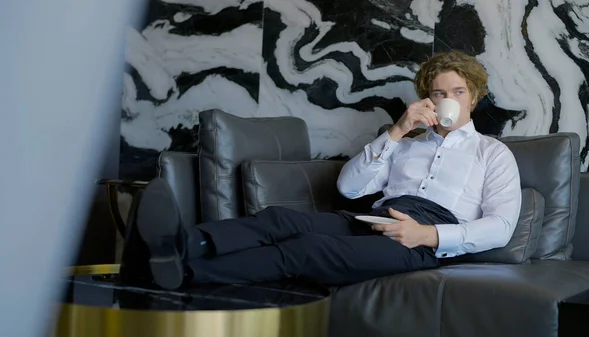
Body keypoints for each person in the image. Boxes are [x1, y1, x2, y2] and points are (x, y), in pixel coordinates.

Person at [120, 50, 522, 290]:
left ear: (473, 98)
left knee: (307, 250)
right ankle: (178, 245)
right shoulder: (405, 144)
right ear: (427, 98)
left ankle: (182, 274)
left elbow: (501, 225)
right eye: (438, 92)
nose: (447, 99)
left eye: (457, 92)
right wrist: (397, 131)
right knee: (278, 219)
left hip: (422, 241)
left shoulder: (493, 153)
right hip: (372, 217)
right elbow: (349, 188)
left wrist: (428, 234)